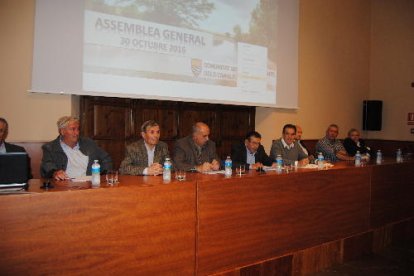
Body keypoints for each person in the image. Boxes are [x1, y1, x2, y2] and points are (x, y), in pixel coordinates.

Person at [41, 116, 112, 180]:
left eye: (78, 129)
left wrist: (103, 176)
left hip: (90, 186)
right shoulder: (51, 148)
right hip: (66, 187)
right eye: (73, 129)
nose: (77, 133)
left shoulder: (88, 143)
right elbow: (48, 166)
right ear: (62, 131)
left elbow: (106, 158)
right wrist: (55, 173)